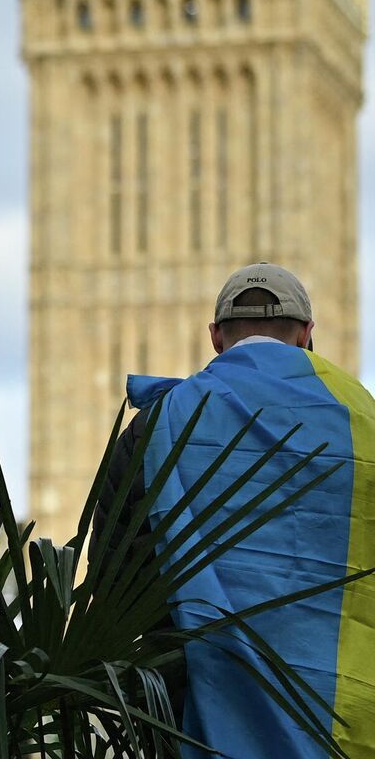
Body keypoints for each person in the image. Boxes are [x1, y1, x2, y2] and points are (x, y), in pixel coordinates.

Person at [94, 263, 375, 759]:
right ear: (308, 334)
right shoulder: (362, 417)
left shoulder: (160, 420)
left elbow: (112, 575)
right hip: (347, 705)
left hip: (198, 704)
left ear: (216, 337)